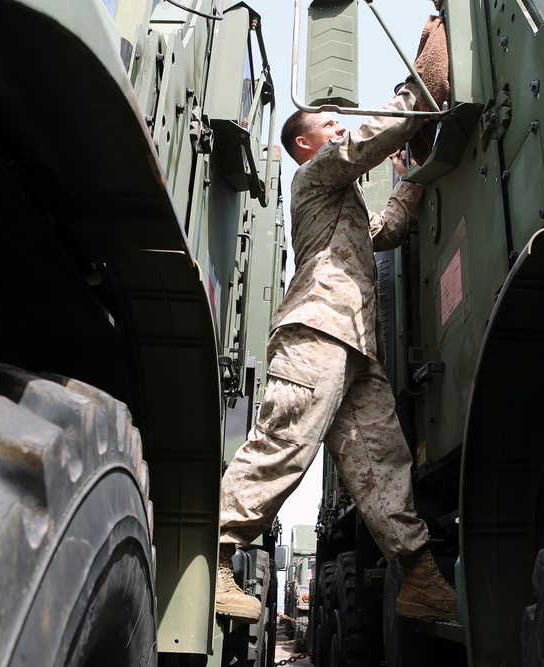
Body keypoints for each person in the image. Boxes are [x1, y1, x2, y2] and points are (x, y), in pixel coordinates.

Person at [214, 79, 457, 624]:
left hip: (357, 347)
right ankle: (216, 556)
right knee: (285, 444)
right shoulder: (314, 176)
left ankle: (418, 578)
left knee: (384, 463)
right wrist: (417, 94)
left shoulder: (342, 201)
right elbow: (362, 143)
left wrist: (408, 182)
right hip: (317, 331)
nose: (339, 126)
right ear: (305, 145)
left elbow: (388, 229)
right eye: (327, 122)